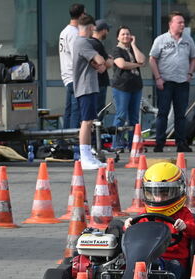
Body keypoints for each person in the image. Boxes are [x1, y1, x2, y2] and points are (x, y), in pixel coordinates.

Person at [123, 162, 195, 279]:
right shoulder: (145, 214)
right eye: (154, 193)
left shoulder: (183, 213)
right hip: (148, 258)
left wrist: (185, 227)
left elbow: (194, 231)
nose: (158, 199)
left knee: (165, 268)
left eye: (164, 194)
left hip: (174, 260)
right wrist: (128, 226)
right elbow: (134, 235)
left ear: (179, 190)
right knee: (131, 264)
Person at [149, 11, 195, 153]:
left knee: (180, 115)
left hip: (182, 82)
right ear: (171, 24)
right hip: (165, 82)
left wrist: (190, 73)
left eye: (183, 22)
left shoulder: (188, 39)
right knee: (162, 114)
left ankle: (181, 143)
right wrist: (158, 78)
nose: (182, 25)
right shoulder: (161, 40)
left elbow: (194, 57)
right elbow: (152, 59)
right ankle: (159, 143)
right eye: (179, 22)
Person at [73, 14, 108, 170]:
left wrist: (99, 63)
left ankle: (87, 156)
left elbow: (99, 66)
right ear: (91, 27)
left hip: (89, 86)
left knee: (89, 121)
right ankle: (85, 157)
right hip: (85, 87)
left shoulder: (82, 43)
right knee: (86, 122)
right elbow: (101, 61)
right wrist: (100, 60)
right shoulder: (83, 42)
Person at [110, 26, 145, 150]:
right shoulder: (117, 50)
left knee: (134, 117)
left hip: (136, 87)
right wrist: (137, 65)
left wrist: (134, 45)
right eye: (123, 34)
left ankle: (133, 144)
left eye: (128, 34)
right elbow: (122, 64)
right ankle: (117, 143)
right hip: (122, 87)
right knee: (121, 115)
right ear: (118, 37)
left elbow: (142, 60)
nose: (126, 36)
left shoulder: (132, 49)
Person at [59, 3, 85, 129]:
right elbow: (77, 57)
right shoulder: (74, 33)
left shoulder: (64, 31)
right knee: (76, 111)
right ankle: (73, 140)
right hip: (75, 77)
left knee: (68, 111)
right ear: (81, 15)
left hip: (67, 75)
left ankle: (64, 141)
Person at [89, 20, 114, 119]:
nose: (107, 33)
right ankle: (96, 134)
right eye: (107, 30)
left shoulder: (88, 43)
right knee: (99, 112)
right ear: (103, 30)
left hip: (92, 82)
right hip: (99, 83)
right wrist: (111, 59)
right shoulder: (97, 44)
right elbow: (106, 63)